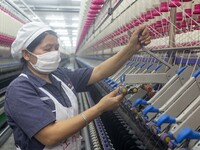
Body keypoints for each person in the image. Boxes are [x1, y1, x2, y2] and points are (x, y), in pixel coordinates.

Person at [4, 22, 151, 150]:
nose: (54, 53)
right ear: (26, 54)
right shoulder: (19, 90)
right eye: (47, 49)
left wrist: (131, 48)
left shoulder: (60, 76)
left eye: (56, 48)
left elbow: (99, 72)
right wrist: (99, 108)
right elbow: (50, 136)